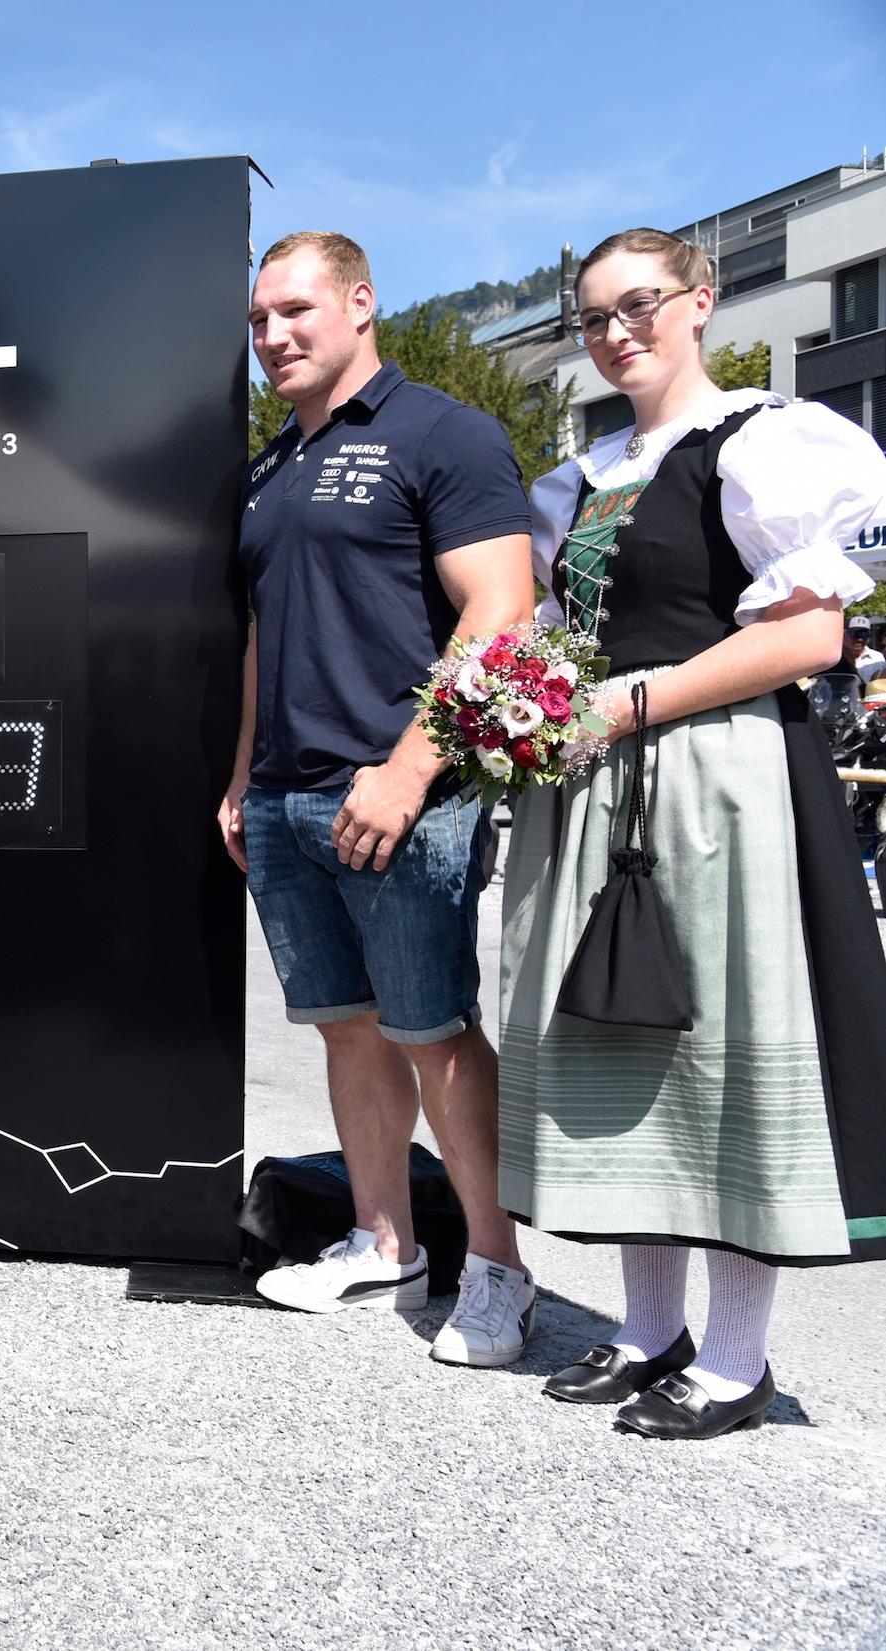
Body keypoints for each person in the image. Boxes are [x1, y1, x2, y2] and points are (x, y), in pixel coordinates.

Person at [500, 228, 886, 1439]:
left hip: (721, 778)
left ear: (700, 303)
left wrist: (634, 700)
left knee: (718, 1048)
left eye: (640, 305)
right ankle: (647, 1330)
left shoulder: (769, 441)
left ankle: (735, 1357)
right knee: (626, 1052)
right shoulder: (581, 473)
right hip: (605, 782)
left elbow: (810, 637)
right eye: (594, 317)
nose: (617, 332)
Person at [225, 232, 540, 1362]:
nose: (273, 337)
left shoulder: (442, 433)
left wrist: (407, 771)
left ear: (361, 305)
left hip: (403, 796)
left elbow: (500, 610)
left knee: (435, 1034)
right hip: (285, 798)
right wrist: (241, 778)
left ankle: (498, 1269)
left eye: (296, 311)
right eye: (260, 320)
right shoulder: (267, 468)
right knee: (346, 1033)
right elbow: (266, 633)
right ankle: (383, 1242)